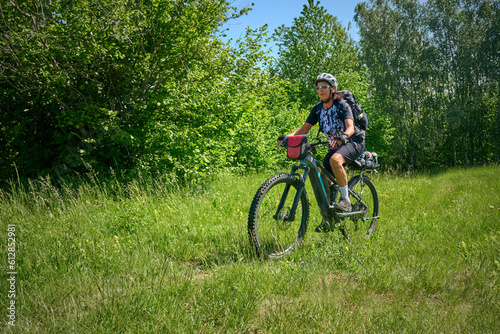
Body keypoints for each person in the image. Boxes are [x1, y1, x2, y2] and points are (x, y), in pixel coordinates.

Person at [277, 73, 365, 214]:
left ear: (333, 89)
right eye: (318, 88)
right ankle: (329, 214)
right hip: (335, 145)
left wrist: (344, 136)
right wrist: (287, 137)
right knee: (323, 178)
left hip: (353, 142)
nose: (320, 90)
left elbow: (351, 128)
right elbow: (304, 129)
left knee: (335, 160)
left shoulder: (343, 105)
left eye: (324, 87)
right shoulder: (318, 109)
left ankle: (346, 200)